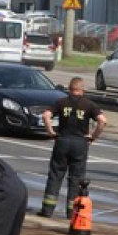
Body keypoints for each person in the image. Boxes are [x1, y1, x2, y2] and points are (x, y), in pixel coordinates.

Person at [38, 77, 107, 218]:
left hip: (62, 141)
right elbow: (102, 121)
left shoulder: (61, 102)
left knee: (55, 175)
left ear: (69, 89)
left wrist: (51, 132)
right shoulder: (89, 105)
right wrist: (93, 137)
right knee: (76, 178)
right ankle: (72, 212)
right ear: (82, 90)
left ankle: (47, 210)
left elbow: (46, 115)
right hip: (80, 144)